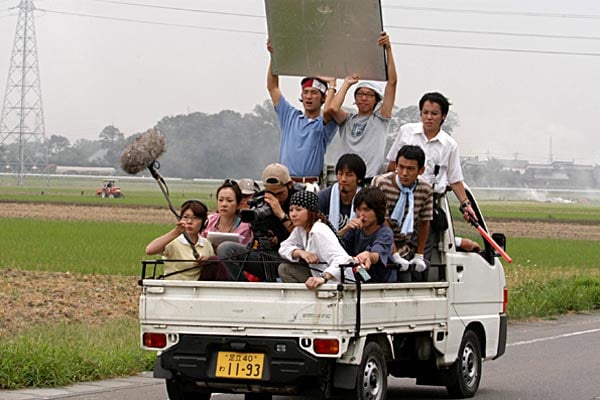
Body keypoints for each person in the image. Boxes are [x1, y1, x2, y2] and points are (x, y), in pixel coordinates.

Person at [385, 92, 476, 221]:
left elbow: (454, 179)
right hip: (399, 199)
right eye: (425, 112)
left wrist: (466, 205)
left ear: (443, 116)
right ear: (420, 113)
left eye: (434, 114)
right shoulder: (406, 132)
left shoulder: (449, 145)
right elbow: (392, 165)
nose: (429, 117)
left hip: (429, 204)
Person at [325, 32, 397, 182]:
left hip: (370, 179)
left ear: (376, 99)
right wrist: (346, 83)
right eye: (360, 94)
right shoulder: (347, 120)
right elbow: (331, 109)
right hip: (346, 180)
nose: (364, 98)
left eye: (369, 95)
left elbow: (392, 83)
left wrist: (388, 49)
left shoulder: (380, 119)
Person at [267, 40, 338, 184]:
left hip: (310, 184)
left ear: (323, 97)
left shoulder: (324, 122)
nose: (309, 96)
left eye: (314, 93)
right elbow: (273, 87)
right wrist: (273, 56)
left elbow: (330, 109)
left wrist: (332, 85)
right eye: (305, 92)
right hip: (286, 183)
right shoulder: (291, 116)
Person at [217, 163, 304, 281]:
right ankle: (244, 290)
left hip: (292, 259)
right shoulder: (260, 200)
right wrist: (268, 237)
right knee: (226, 249)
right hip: (266, 254)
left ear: (289, 185)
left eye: (279, 193)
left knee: (284, 266)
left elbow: (304, 236)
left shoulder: (300, 199)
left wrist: (281, 214)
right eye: (271, 193)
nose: (276, 198)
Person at [372, 145, 433, 281]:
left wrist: (419, 255)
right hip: (380, 242)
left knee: (409, 281)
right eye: (401, 167)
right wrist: (394, 253)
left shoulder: (425, 189)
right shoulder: (381, 183)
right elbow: (382, 220)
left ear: (421, 170)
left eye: (410, 169)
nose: (404, 173)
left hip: (405, 245)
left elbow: (424, 222)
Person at [278, 191, 354, 289]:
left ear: (311, 211)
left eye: (298, 209)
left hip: (337, 283)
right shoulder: (300, 229)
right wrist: (300, 252)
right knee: (285, 268)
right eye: (291, 210)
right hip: (317, 277)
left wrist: (324, 277)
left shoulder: (319, 230)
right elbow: (284, 248)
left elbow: (343, 260)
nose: (293, 214)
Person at [145, 200, 230, 281]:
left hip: (198, 290)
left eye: (195, 218)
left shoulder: (206, 244)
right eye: (185, 217)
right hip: (174, 288)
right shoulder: (174, 242)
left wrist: (206, 261)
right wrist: (176, 232)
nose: (189, 221)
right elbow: (150, 250)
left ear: (204, 222)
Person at [341, 187, 395, 283]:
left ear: (378, 211)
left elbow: (377, 254)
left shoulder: (385, 233)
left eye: (367, 210)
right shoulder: (354, 229)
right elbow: (336, 244)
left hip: (381, 284)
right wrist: (345, 229)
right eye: (358, 209)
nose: (361, 215)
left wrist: (368, 256)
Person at [317, 153, 366, 236]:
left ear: (359, 179)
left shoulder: (367, 199)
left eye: (349, 175)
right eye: (340, 174)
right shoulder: (323, 197)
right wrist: (344, 230)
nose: (343, 179)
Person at [201, 179, 253, 247]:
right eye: (220, 200)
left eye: (229, 201)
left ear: (239, 205)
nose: (224, 204)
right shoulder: (208, 221)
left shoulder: (246, 227)